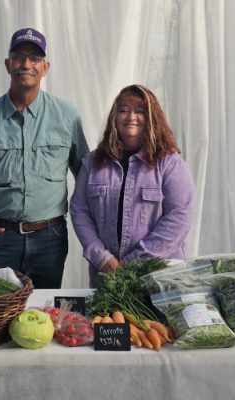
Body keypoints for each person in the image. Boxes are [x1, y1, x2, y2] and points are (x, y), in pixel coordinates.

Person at [0, 28, 89, 289]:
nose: (26, 64)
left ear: (45, 67)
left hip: (50, 239)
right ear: (7, 64)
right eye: (19, 57)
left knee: (44, 318)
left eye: (34, 58)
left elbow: (87, 174)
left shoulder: (67, 116)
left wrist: (85, 225)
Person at [69, 84, 196, 288]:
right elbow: (79, 210)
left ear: (152, 117)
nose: (131, 117)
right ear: (115, 116)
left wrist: (133, 262)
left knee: (154, 322)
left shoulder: (170, 163)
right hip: (106, 277)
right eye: (124, 110)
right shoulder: (92, 162)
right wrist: (102, 258)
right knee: (107, 321)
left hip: (157, 277)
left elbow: (180, 217)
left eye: (140, 111)